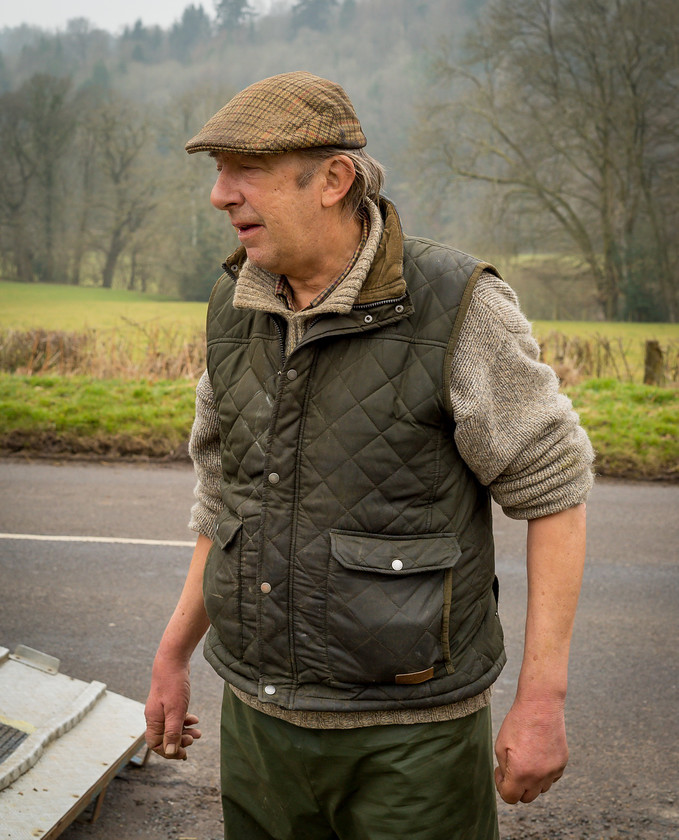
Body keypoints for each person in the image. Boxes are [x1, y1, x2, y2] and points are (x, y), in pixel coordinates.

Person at [145, 71, 593, 840]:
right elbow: (223, 500)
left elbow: (554, 493)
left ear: (333, 179)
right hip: (257, 723)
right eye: (216, 173)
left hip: (409, 739)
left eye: (242, 171)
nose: (219, 196)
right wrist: (173, 655)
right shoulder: (233, 306)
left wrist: (541, 699)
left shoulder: (456, 305)